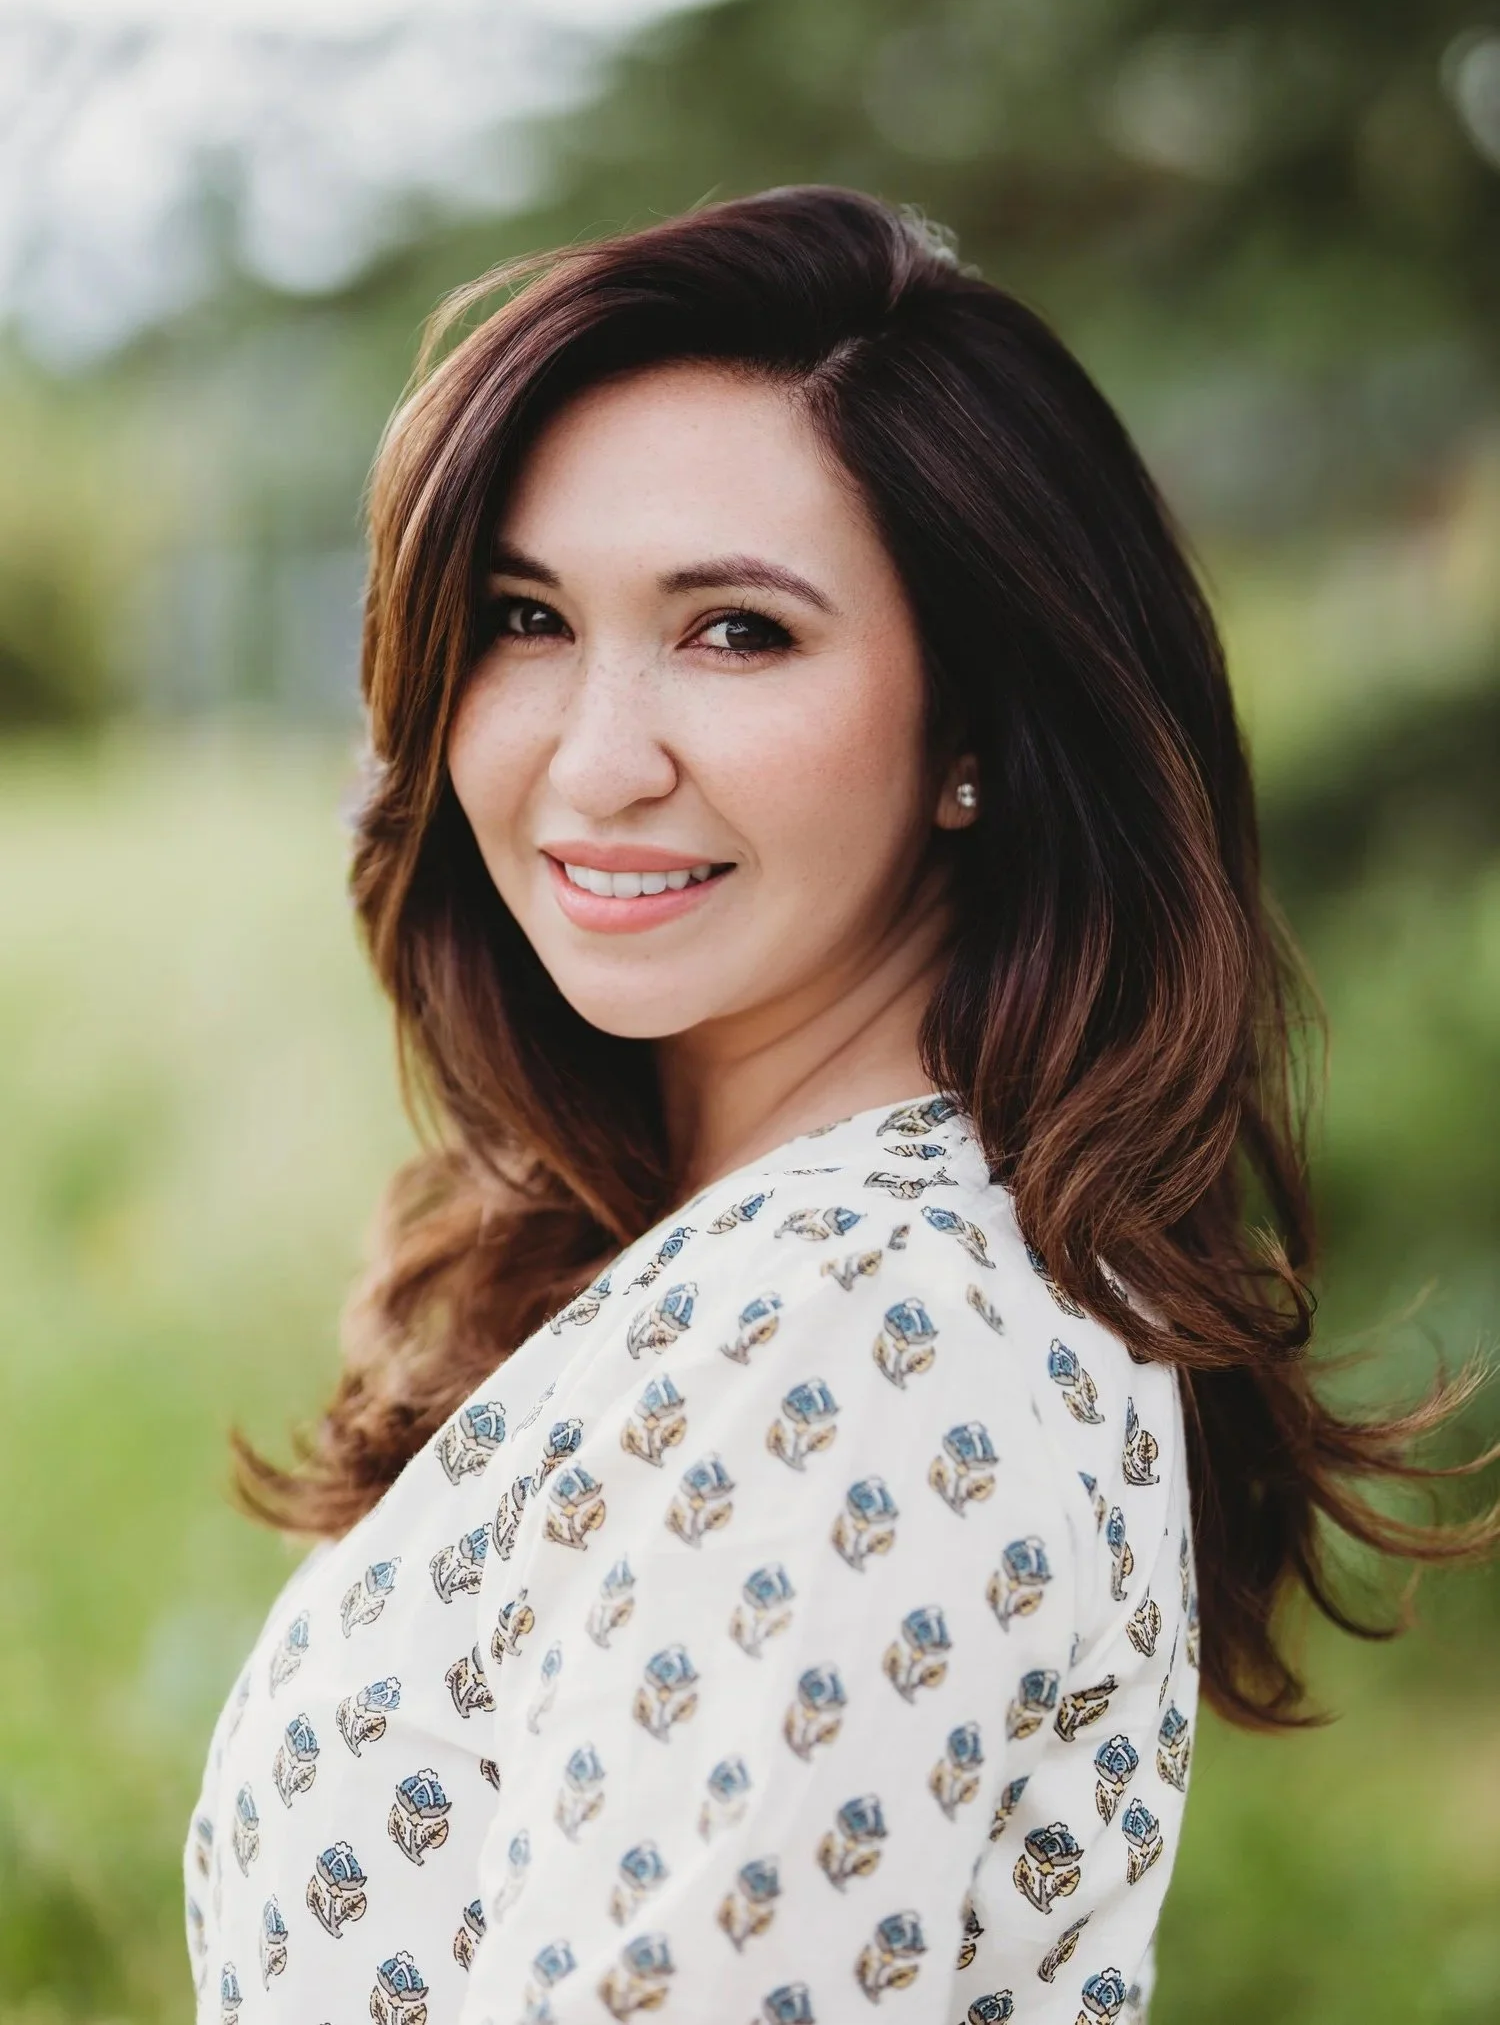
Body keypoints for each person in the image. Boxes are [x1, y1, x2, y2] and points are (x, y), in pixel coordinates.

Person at [185, 187, 1492, 2025]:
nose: (596, 755)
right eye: (524, 615)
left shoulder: (844, 1338)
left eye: (735, 633)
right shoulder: (824, 1256)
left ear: (974, 727)